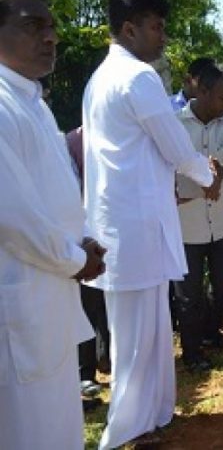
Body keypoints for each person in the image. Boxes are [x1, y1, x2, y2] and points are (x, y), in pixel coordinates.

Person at [82, 0, 221, 448]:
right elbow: (177, 146)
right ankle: (131, 427)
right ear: (129, 28)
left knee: (149, 328)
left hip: (121, 220)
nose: (163, 37)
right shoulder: (138, 78)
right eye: (156, 27)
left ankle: (156, 412)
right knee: (139, 335)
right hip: (135, 223)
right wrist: (208, 175)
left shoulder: (100, 78)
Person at [0, 0, 106, 448]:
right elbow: (12, 217)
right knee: (28, 429)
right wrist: (74, 258)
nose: (51, 38)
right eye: (32, 26)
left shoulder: (33, 102)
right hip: (23, 300)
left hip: (51, 293)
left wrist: (83, 239)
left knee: (59, 423)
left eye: (52, 27)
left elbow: (60, 187)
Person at [175, 62, 223, 372]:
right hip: (184, 227)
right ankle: (191, 353)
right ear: (201, 90)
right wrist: (205, 180)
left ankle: (213, 335)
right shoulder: (174, 126)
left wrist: (219, 173)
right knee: (188, 295)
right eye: (222, 97)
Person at [64, 126, 111, 408]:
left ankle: (108, 357)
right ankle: (85, 373)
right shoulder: (72, 142)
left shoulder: (116, 138)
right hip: (83, 236)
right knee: (88, 306)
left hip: (111, 233)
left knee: (108, 305)